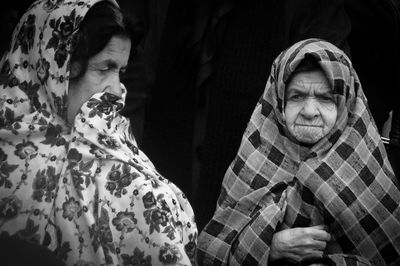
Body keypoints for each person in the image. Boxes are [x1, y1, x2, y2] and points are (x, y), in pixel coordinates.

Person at [0, 0, 197, 265]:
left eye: (121, 72)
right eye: (104, 68)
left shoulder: (108, 138)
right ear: (54, 66)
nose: (117, 90)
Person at [196, 39, 400, 265]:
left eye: (325, 98)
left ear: (345, 104)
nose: (310, 111)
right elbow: (210, 255)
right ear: (279, 101)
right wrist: (270, 247)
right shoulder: (253, 161)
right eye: (297, 96)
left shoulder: (365, 171)